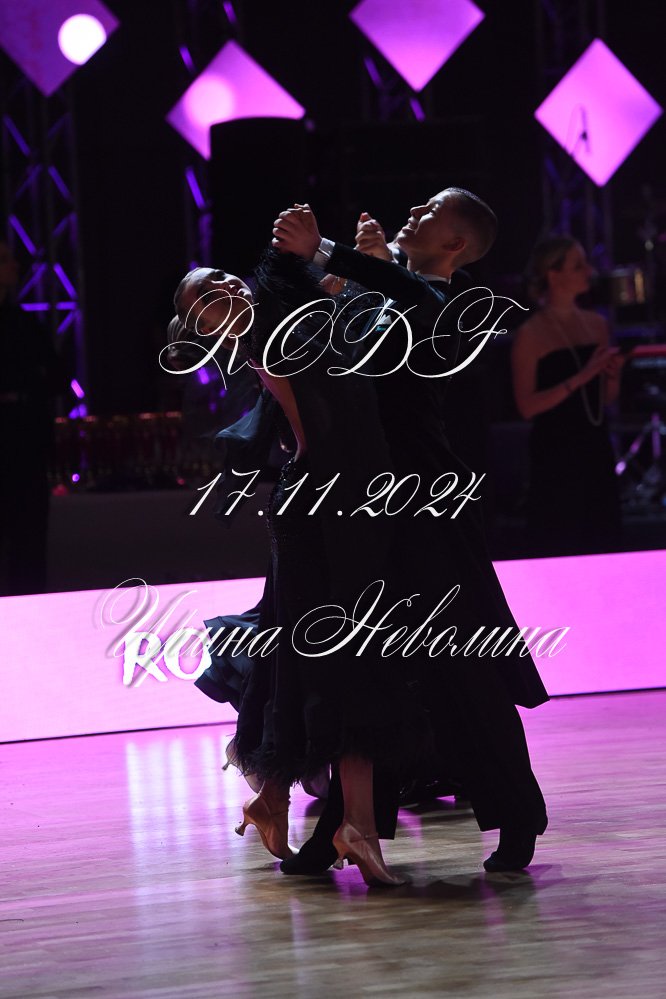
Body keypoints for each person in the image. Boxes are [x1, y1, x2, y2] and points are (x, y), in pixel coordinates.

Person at [272, 190, 549, 875]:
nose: (413, 216)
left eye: (430, 215)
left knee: (463, 664)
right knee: (366, 670)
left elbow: (405, 295)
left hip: (428, 508)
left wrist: (331, 253)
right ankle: (342, 828)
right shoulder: (384, 290)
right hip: (367, 503)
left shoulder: (444, 305)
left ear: (454, 245)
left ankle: (518, 816)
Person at [170, 252, 428, 886]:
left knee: (323, 656)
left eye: (220, 277)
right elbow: (314, 432)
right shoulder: (265, 341)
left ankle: (300, 805)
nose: (224, 286)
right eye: (207, 297)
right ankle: (343, 820)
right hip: (324, 503)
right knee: (337, 656)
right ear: (206, 327)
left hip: (335, 498)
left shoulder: (277, 324)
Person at [512, 236, 624, 556]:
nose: (589, 271)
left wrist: (612, 375)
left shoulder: (597, 324)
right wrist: (583, 376)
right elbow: (526, 407)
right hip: (556, 453)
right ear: (553, 274)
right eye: (578, 266)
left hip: (596, 445)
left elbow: (605, 400)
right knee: (559, 540)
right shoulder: (531, 334)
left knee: (603, 539)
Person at [0, 240, 62, 595]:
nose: (15, 266)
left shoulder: (24, 324)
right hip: (13, 438)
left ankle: (29, 606)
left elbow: (57, 376)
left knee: (29, 540)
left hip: (26, 443)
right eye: (4, 260)